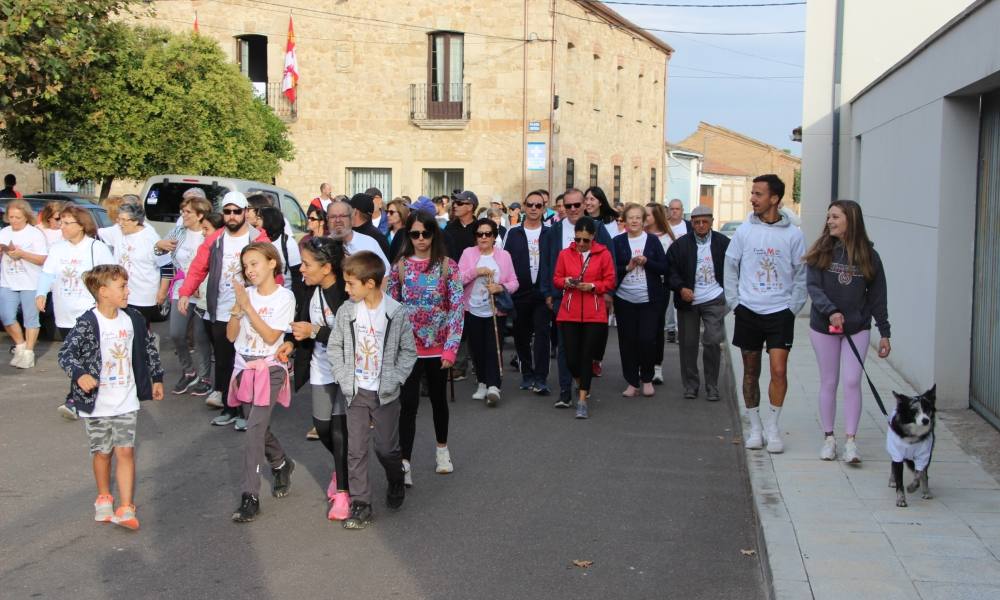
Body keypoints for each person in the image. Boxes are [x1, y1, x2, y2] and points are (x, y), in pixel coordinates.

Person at [57, 264, 164, 530]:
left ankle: (126, 506)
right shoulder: (87, 322)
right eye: (122, 287)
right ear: (103, 292)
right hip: (96, 402)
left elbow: (148, 348)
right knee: (102, 452)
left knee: (125, 450)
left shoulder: (134, 318)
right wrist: (80, 374)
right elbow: (66, 354)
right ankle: (104, 496)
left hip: (126, 398)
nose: (128, 291)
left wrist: (157, 377)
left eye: (127, 285)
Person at [328, 251, 417, 530]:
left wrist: (395, 380)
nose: (346, 288)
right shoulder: (347, 311)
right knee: (355, 450)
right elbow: (335, 347)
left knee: (386, 448)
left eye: (350, 283)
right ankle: (361, 503)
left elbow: (408, 352)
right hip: (356, 392)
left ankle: (395, 477)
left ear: (370, 283)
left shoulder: (396, 312)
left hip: (385, 393)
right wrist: (345, 380)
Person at [725, 174, 807, 453]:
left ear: (774, 198)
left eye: (758, 194)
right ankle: (755, 427)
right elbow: (731, 266)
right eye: (752, 193)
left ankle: (773, 427)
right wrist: (735, 302)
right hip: (748, 310)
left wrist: (792, 308)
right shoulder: (745, 231)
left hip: (779, 313)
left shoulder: (793, 235)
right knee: (750, 371)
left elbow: (801, 274)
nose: (752, 198)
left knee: (778, 370)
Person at [804, 200, 890, 464]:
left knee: (853, 381)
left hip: (857, 327)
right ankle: (829, 439)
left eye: (835, 217)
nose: (829, 221)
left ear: (851, 220)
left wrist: (884, 332)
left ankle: (851, 441)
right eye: (828, 216)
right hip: (824, 326)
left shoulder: (869, 255)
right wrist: (830, 310)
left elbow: (878, 296)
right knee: (829, 381)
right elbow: (813, 287)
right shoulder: (822, 250)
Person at [178, 191, 270, 430]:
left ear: (245, 213)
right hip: (219, 312)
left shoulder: (258, 238)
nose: (231, 216)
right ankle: (230, 408)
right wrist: (185, 292)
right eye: (227, 212)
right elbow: (199, 267)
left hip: (249, 312)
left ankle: (244, 410)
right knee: (224, 361)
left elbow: (273, 271)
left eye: (236, 211)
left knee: (245, 361)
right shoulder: (215, 239)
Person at [387, 210, 464, 485]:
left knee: (438, 400)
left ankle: (442, 449)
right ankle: (405, 462)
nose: (420, 239)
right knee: (407, 404)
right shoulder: (400, 267)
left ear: (434, 234)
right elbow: (391, 308)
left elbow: (456, 308)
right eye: (415, 234)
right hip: (409, 349)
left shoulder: (447, 266)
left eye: (425, 233)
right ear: (408, 235)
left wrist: (451, 348)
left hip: (438, 347)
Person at [277, 237, 350, 519]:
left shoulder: (347, 292)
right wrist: (291, 343)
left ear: (327, 267)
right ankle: (344, 466)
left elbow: (352, 339)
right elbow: (301, 323)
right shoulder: (308, 290)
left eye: (307, 264)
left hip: (348, 371)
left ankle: (344, 491)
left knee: (339, 431)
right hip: (321, 368)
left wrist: (315, 332)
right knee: (322, 428)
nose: (301, 269)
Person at [226, 243, 296, 523]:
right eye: (245, 266)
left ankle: (249, 496)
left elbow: (270, 337)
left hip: (270, 368)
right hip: (244, 367)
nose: (249, 270)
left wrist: (248, 308)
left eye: (254, 263)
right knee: (258, 426)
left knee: (253, 430)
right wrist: (236, 309)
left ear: (271, 263)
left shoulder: (284, 297)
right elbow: (231, 336)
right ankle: (281, 463)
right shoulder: (245, 295)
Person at [539, 188, 614, 408]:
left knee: (586, 348)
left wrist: (607, 293)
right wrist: (548, 293)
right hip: (563, 297)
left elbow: (610, 261)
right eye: (568, 205)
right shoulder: (554, 231)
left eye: (577, 205)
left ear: (585, 205)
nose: (573, 210)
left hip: (592, 298)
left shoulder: (598, 228)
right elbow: (547, 264)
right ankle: (565, 391)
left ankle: (582, 385)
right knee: (565, 348)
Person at [553, 217, 616, 419]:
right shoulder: (565, 254)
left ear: (593, 238)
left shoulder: (603, 254)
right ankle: (582, 384)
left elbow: (610, 280)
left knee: (586, 356)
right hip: (570, 311)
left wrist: (593, 286)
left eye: (585, 241)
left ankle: (582, 400)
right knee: (571, 359)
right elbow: (556, 278)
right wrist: (567, 282)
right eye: (578, 239)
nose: (581, 244)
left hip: (594, 312)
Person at [667, 205, 730, 401]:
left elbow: (735, 267)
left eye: (704, 222)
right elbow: (670, 271)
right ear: (691, 223)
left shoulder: (723, 243)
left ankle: (712, 386)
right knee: (688, 344)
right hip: (689, 301)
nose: (701, 226)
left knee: (712, 341)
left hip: (715, 299)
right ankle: (691, 385)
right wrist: (680, 288)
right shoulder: (680, 245)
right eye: (696, 222)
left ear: (712, 221)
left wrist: (728, 291)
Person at [154, 193, 215, 396]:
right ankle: (189, 371)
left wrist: (201, 284)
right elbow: (161, 258)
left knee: (200, 336)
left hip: (203, 291)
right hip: (181, 289)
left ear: (200, 215)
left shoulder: (209, 233)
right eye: (183, 211)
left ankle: (205, 377)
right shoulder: (178, 231)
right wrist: (158, 246)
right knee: (176, 333)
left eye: (188, 212)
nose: (183, 215)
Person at [458, 218, 517, 406]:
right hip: (472, 309)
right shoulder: (468, 253)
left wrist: (500, 287)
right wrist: (476, 271)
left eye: (488, 234)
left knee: (493, 348)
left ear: (494, 236)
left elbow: (514, 282)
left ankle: (494, 385)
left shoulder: (504, 256)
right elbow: (458, 279)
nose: (483, 237)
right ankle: (482, 382)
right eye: (479, 234)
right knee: (477, 349)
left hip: (494, 310)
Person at [613, 203, 668, 397]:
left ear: (644, 221)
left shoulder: (652, 241)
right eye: (631, 218)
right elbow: (611, 270)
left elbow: (664, 267)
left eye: (638, 217)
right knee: (627, 341)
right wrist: (627, 267)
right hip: (624, 299)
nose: (634, 221)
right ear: (625, 221)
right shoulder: (617, 241)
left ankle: (647, 378)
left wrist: (648, 262)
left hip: (649, 300)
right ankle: (631, 382)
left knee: (647, 339)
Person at [504, 190, 552, 395]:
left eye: (538, 205)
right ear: (524, 206)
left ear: (544, 209)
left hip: (542, 292)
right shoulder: (513, 232)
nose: (533, 208)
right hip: (520, 292)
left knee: (542, 334)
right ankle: (527, 374)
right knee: (521, 335)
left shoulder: (551, 232)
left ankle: (541, 377)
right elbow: (506, 261)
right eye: (530, 204)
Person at [0, 199, 49, 368]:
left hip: (31, 282)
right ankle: (20, 345)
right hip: (7, 280)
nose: (13, 220)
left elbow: (43, 259)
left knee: (31, 319)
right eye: (11, 217)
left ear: (26, 217)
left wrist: (22, 254)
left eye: (17, 217)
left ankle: (28, 352)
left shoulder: (35, 234)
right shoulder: (4, 232)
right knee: (6, 316)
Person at [583, 186, 619, 377]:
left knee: (599, 323)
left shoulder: (610, 225)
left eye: (592, 199)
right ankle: (585, 359)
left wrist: (609, 289)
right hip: (582, 279)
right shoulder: (579, 221)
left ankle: (597, 358)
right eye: (586, 199)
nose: (588, 202)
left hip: (601, 279)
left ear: (600, 202)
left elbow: (612, 255)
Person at [645, 202, 676, 384]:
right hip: (639, 288)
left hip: (660, 289)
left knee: (657, 328)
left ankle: (657, 367)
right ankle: (643, 364)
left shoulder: (667, 239)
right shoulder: (638, 236)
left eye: (647, 215)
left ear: (656, 217)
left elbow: (669, 267)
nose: (643, 219)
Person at [326, 199, 390, 272]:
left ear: (351, 218)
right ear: (327, 220)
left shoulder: (369, 243)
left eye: (343, 216)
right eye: (333, 216)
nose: (338, 220)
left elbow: (386, 274)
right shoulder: (321, 246)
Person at [665, 199, 694, 344]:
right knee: (668, 301)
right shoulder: (663, 227)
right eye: (672, 208)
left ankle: (679, 330)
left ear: (682, 210)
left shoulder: (688, 226)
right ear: (668, 210)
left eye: (677, 209)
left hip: (683, 268)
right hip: (667, 266)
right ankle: (670, 328)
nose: (674, 211)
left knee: (679, 298)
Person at [260, 206, 303, 295]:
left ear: (268, 221)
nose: (256, 221)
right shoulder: (257, 240)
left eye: (260, 218)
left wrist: (297, 300)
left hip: (284, 294)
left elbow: (297, 275)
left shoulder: (288, 243)